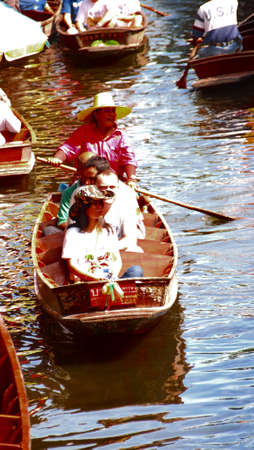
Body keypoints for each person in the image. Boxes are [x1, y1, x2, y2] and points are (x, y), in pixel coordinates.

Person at [47, 91, 137, 185]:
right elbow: (68, 149)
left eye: (113, 111)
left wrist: (131, 179)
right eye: (107, 111)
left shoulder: (121, 136)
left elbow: (129, 159)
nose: (112, 114)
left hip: (112, 182)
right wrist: (57, 158)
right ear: (96, 114)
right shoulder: (83, 132)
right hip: (85, 182)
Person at [62, 185, 143, 286]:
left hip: (109, 280)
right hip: (86, 283)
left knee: (136, 270)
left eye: (101, 203)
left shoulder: (108, 230)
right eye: (95, 204)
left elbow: (116, 259)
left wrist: (113, 277)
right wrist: (94, 278)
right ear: (85, 208)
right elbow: (72, 265)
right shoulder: (73, 232)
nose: (100, 207)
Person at [68, 169, 145, 252]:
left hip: (113, 249)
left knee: (135, 249)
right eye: (103, 187)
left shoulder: (126, 207)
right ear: (96, 188)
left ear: (118, 188)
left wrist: (105, 250)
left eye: (112, 187)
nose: (109, 190)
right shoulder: (86, 206)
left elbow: (129, 240)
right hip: (85, 249)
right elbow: (73, 231)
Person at [57, 153, 110, 230]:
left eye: (91, 178)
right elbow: (63, 221)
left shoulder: (111, 191)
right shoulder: (72, 192)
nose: (87, 183)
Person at [76, 0, 142, 31]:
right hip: (92, 30)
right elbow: (79, 21)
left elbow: (111, 12)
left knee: (114, 21)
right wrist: (82, 31)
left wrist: (99, 25)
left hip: (111, 28)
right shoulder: (84, 3)